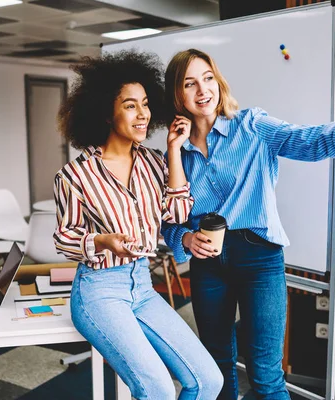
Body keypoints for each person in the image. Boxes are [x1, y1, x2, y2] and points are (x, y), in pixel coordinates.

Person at [160, 48, 335, 400]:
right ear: (177, 94)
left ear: (218, 82)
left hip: (259, 259)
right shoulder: (175, 152)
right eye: (189, 83)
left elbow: (308, 141)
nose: (202, 90)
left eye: (207, 78)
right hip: (207, 266)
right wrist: (186, 239)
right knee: (215, 368)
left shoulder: (251, 125)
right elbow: (167, 220)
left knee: (265, 373)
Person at [53, 50, 223, 399]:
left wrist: (174, 150)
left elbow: (176, 213)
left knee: (209, 381)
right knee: (157, 389)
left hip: (143, 287)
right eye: (131, 105)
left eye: (145, 104)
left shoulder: (154, 162)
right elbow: (64, 238)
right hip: (99, 291)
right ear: (105, 112)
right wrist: (102, 241)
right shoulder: (74, 175)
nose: (143, 114)